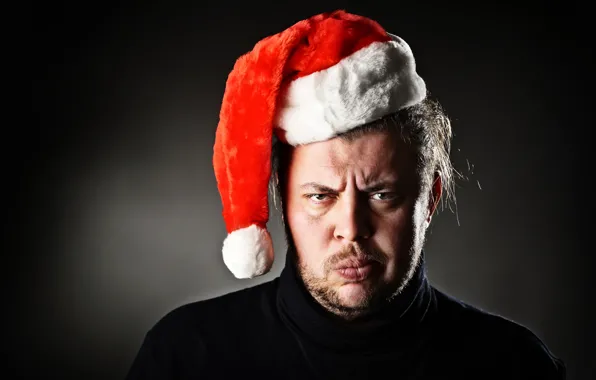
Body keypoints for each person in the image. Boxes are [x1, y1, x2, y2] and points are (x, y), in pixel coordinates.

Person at [125, 10, 566, 379]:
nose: (351, 229)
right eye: (320, 196)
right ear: (284, 199)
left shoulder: (514, 365)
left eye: (381, 195)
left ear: (428, 200)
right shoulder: (185, 356)